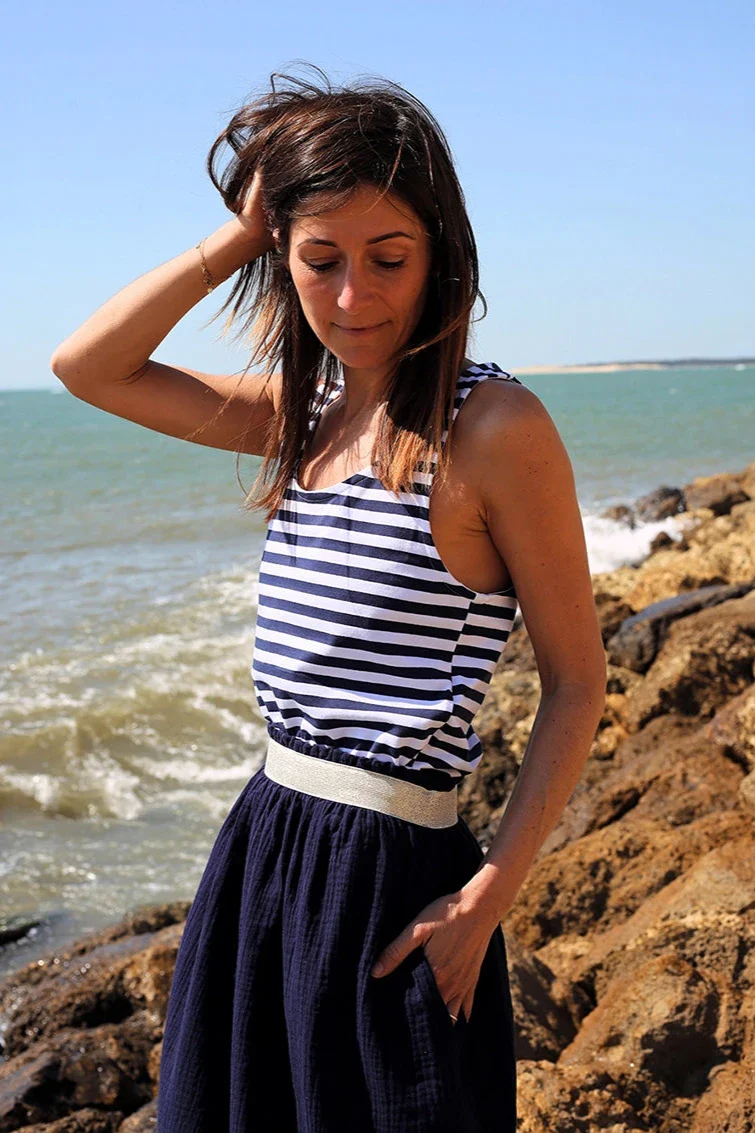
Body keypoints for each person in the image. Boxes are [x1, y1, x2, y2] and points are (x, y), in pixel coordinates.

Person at [51, 65, 607, 1133]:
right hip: (263, 843)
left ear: (440, 254)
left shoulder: (491, 429)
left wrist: (485, 899)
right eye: (319, 259)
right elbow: (88, 365)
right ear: (283, 258)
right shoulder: (297, 415)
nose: (353, 296)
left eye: (388, 258)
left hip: (394, 877)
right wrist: (237, 236)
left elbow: (578, 682)